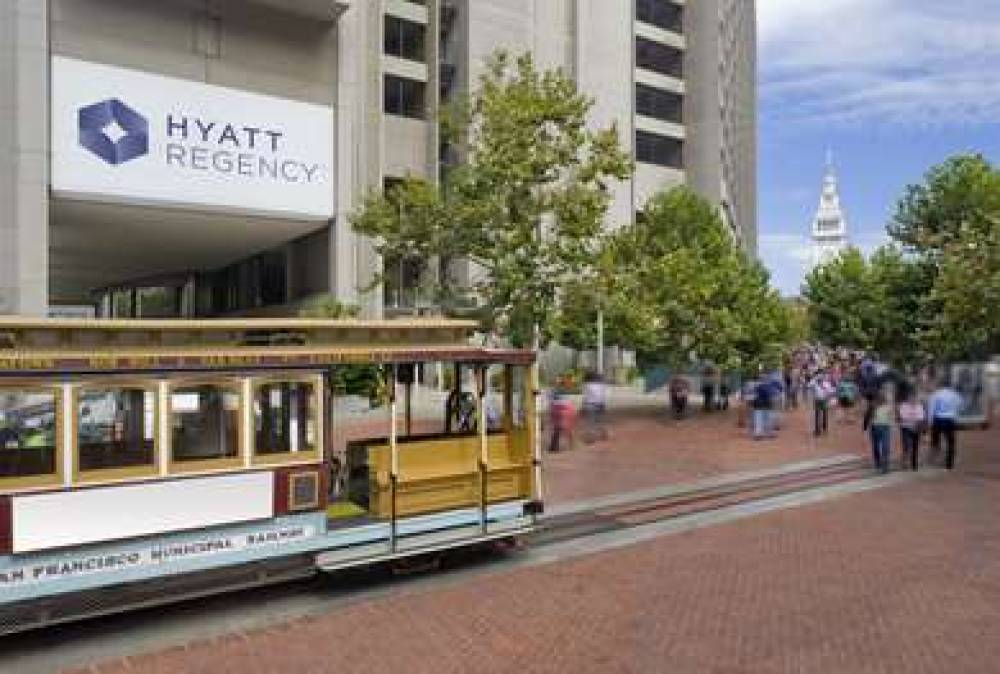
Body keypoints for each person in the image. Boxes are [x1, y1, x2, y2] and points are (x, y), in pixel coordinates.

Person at [928, 379, 962, 469]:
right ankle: (949, 463)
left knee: (935, 440)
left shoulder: (936, 394)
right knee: (951, 442)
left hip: (938, 419)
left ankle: (935, 457)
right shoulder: (955, 394)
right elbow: (960, 405)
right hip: (950, 419)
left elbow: (931, 408)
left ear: (940, 385)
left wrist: (930, 421)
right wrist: (955, 416)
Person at [897, 386, 926, 471]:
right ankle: (905, 462)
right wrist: (912, 418)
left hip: (916, 428)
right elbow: (902, 416)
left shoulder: (919, 406)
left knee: (915, 446)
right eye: (911, 398)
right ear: (908, 398)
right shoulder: (903, 405)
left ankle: (914, 463)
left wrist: (919, 425)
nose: (913, 400)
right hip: (906, 428)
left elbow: (922, 417)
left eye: (914, 398)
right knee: (906, 445)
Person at [869, 391, 893, 473]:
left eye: (882, 398)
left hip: (885, 427)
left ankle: (885, 466)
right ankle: (878, 462)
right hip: (875, 427)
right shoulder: (873, 406)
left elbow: (891, 417)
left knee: (885, 447)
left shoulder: (888, 406)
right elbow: (868, 416)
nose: (881, 399)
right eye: (879, 398)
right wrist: (865, 427)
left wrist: (892, 426)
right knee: (875, 446)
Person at [810, 371, 834, 436]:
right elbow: (809, 385)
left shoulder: (826, 383)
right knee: (818, 415)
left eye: (821, 375)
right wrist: (815, 379)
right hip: (817, 400)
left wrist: (828, 395)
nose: (820, 377)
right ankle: (818, 430)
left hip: (824, 400)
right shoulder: (814, 383)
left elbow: (831, 391)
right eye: (819, 375)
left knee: (824, 414)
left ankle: (824, 427)